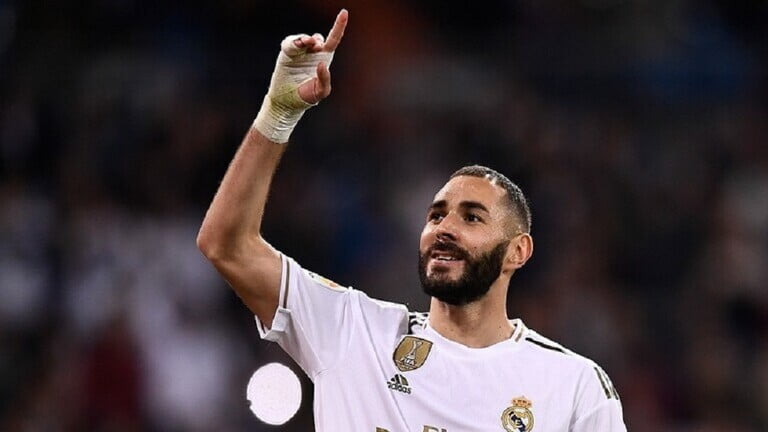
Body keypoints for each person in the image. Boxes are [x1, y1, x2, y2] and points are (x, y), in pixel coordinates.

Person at [197, 9, 627, 432]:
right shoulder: (352, 333)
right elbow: (225, 246)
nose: (444, 228)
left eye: (472, 217)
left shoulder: (573, 387)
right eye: (436, 215)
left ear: (518, 250)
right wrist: (277, 115)